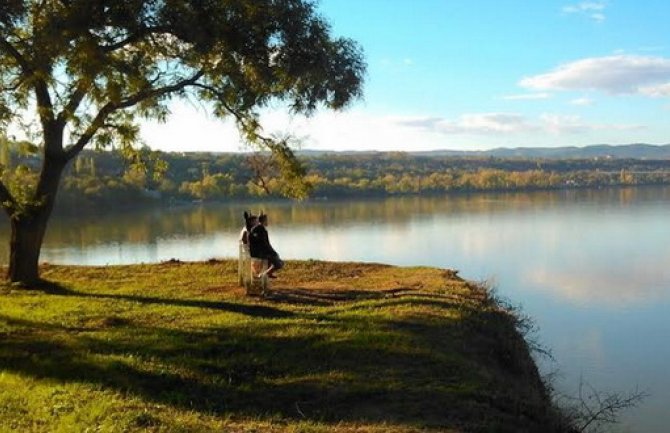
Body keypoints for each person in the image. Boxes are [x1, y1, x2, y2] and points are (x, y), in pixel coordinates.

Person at [248, 212, 283, 278]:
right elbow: (265, 244)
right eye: (267, 220)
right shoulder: (261, 230)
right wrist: (273, 253)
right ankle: (263, 275)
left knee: (273, 258)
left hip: (256, 252)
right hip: (259, 253)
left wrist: (272, 252)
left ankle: (268, 274)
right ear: (264, 221)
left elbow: (265, 244)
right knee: (279, 264)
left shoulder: (256, 229)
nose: (267, 222)